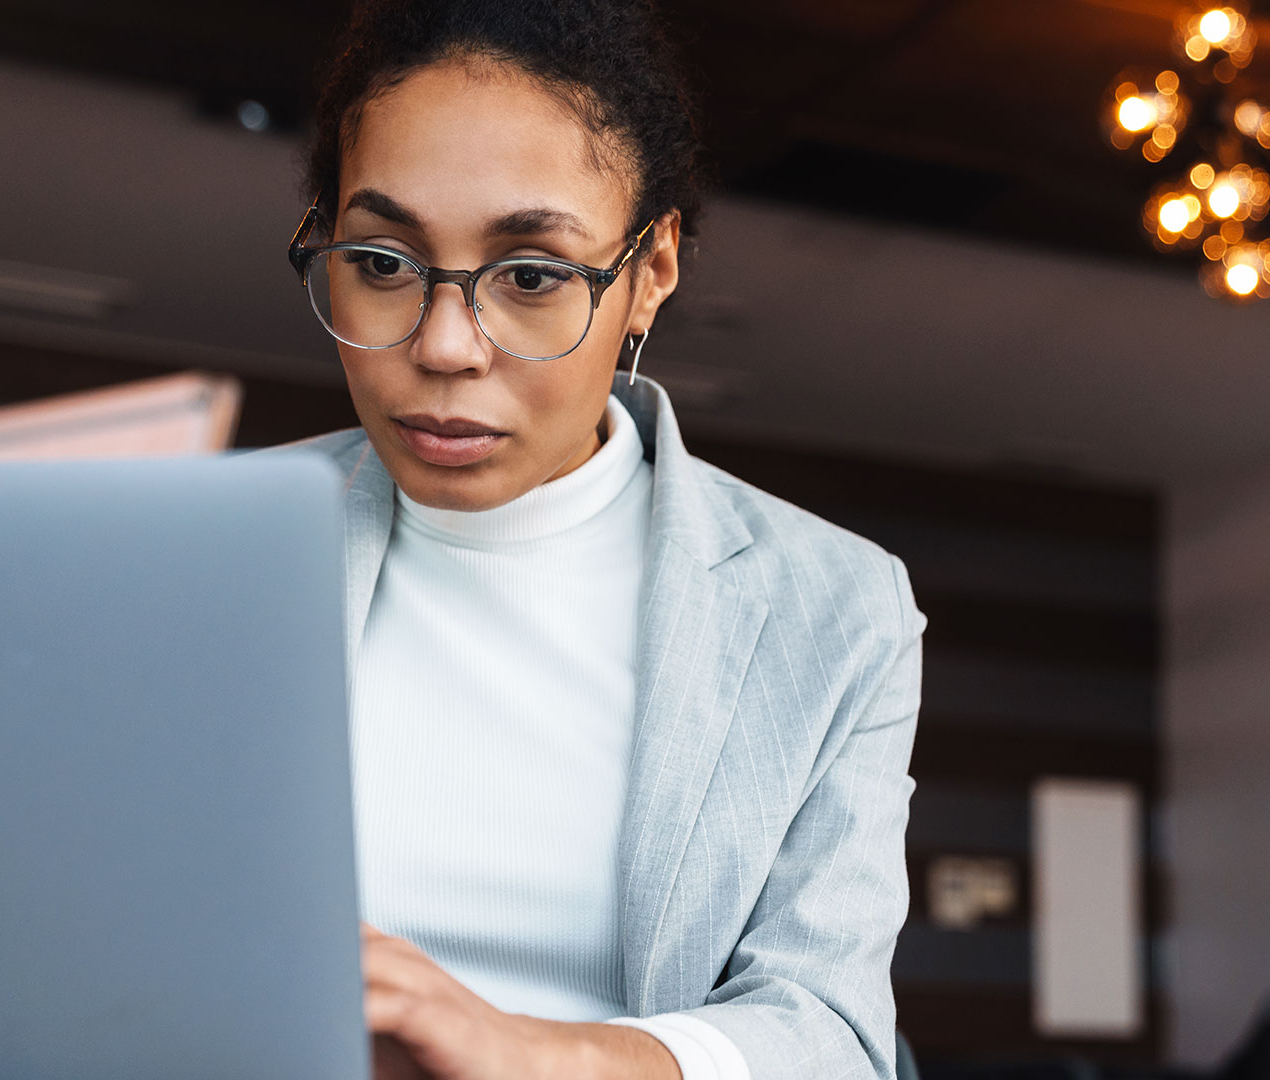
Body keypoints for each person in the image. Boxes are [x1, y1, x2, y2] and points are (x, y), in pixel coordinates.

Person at [279, 2, 925, 1077]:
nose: (443, 346)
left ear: (653, 267)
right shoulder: (200, 542)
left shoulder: (835, 606)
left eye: (532, 276)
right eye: (383, 261)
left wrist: (525, 1053)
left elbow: (830, 1032)